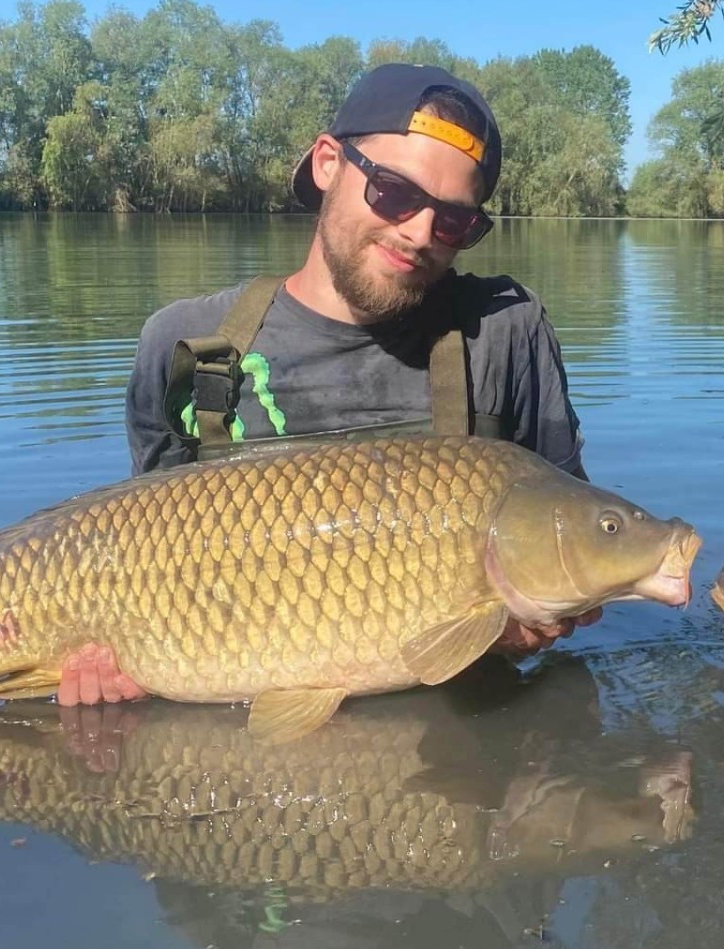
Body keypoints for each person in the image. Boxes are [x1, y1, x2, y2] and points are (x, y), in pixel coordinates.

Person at [57, 63, 598, 705]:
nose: (419, 234)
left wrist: (541, 616)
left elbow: (566, 539)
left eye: (454, 221)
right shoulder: (187, 348)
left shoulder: (504, 334)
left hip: (462, 742)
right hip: (241, 757)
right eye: (395, 193)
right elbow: (144, 559)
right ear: (327, 163)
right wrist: (109, 670)